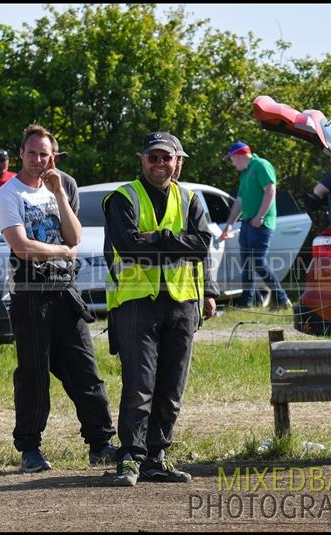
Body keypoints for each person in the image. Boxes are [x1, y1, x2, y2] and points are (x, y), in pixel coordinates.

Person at [0, 124, 117, 473]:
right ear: (21, 153)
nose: (37, 159)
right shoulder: (8, 195)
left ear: (53, 157)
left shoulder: (60, 188)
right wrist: (62, 250)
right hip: (31, 296)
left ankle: (101, 443)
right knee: (34, 375)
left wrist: (59, 194)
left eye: (44, 154)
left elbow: (76, 235)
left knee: (85, 371)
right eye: (31, 152)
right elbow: (22, 246)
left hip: (66, 293)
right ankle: (30, 449)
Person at [103, 131, 213, 486]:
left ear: (177, 161)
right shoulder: (123, 198)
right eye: (153, 157)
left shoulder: (190, 197)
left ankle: (156, 457)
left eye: (166, 157)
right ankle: (131, 459)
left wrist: (159, 239)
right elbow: (128, 247)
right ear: (142, 160)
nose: (159, 164)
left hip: (182, 304)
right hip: (136, 303)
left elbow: (202, 246)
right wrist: (175, 243)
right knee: (139, 384)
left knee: (171, 387)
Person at [220, 141, 292, 309]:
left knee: (258, 262)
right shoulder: (245, 173)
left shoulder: (261, 165)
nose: (231, 163)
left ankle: (282, 299)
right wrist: (229, 224)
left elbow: (270, 190)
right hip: (247, 223)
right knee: (247, 264)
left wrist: (260, 217)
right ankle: (247, 303)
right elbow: (239, 201)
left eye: (231, 159)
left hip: (261, 223)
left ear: (237, 156)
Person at [167, 133, 219, 319]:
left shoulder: (188, 199)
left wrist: (209, 292)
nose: (176, 165)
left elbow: (204, 249)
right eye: (173, 158)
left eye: (179, 160)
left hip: (187, 298)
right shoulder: (134, 198)